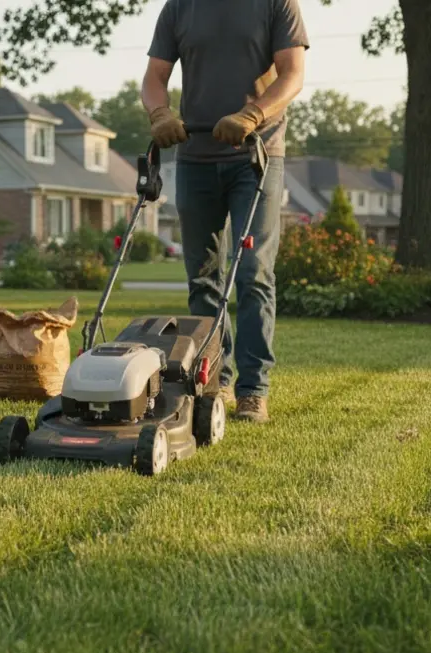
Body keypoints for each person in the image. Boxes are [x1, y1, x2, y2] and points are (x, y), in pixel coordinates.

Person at [141, 0, 309, 422]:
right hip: (196, 157)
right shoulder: (180, 7)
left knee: (253, 272)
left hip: (256, 156)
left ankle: (253, 389)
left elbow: (292, 73)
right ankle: (214, 376)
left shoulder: (276, 4)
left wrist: (253, 113)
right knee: (202, 278)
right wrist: (159, 113)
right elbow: (154, 77)